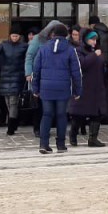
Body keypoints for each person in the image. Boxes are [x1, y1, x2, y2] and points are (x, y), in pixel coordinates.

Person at [32, 22, 82, 154]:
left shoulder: (43, 48)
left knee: (47, 114)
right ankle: (61, 145)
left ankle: (43, 144)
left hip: (46, 87)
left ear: (53, 35)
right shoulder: (71, 50)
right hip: (63, 87)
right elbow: (76, 72)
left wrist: (35, 88)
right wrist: (78, 90)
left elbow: (36, 70)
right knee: (61, 115)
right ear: (66, 35)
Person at [70, 30, 108, 146]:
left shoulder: (96, 51)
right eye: (92, 39)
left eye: (95, 39)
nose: (94, 42)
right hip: (85, 87)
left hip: (97, 86)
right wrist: (94, 55)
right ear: (86, 39)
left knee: (97, 113)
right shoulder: (79, 51)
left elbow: (101, 65)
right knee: (79, 114)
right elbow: (82, 64)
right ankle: (73, 135)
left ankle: (93, 139)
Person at [25, 20, 61, 137]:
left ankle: (47, 127)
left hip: (54, 77)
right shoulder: (37, 40)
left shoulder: (60, 42)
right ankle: (37, 128)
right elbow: (29, 57)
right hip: (39, 76)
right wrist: (28, 73)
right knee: (39, 105)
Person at [0, 31, 28, 135]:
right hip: (5, 77)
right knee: (8, 102)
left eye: (16, 36)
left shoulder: (24, 46)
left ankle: (11, 127)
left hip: (17, 77)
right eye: (13, 36)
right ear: (10, 36)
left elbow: (29, 58)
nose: (14, 38)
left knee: (13, 102)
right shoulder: (4, 45)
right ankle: (14, 123)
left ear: (20, 36)